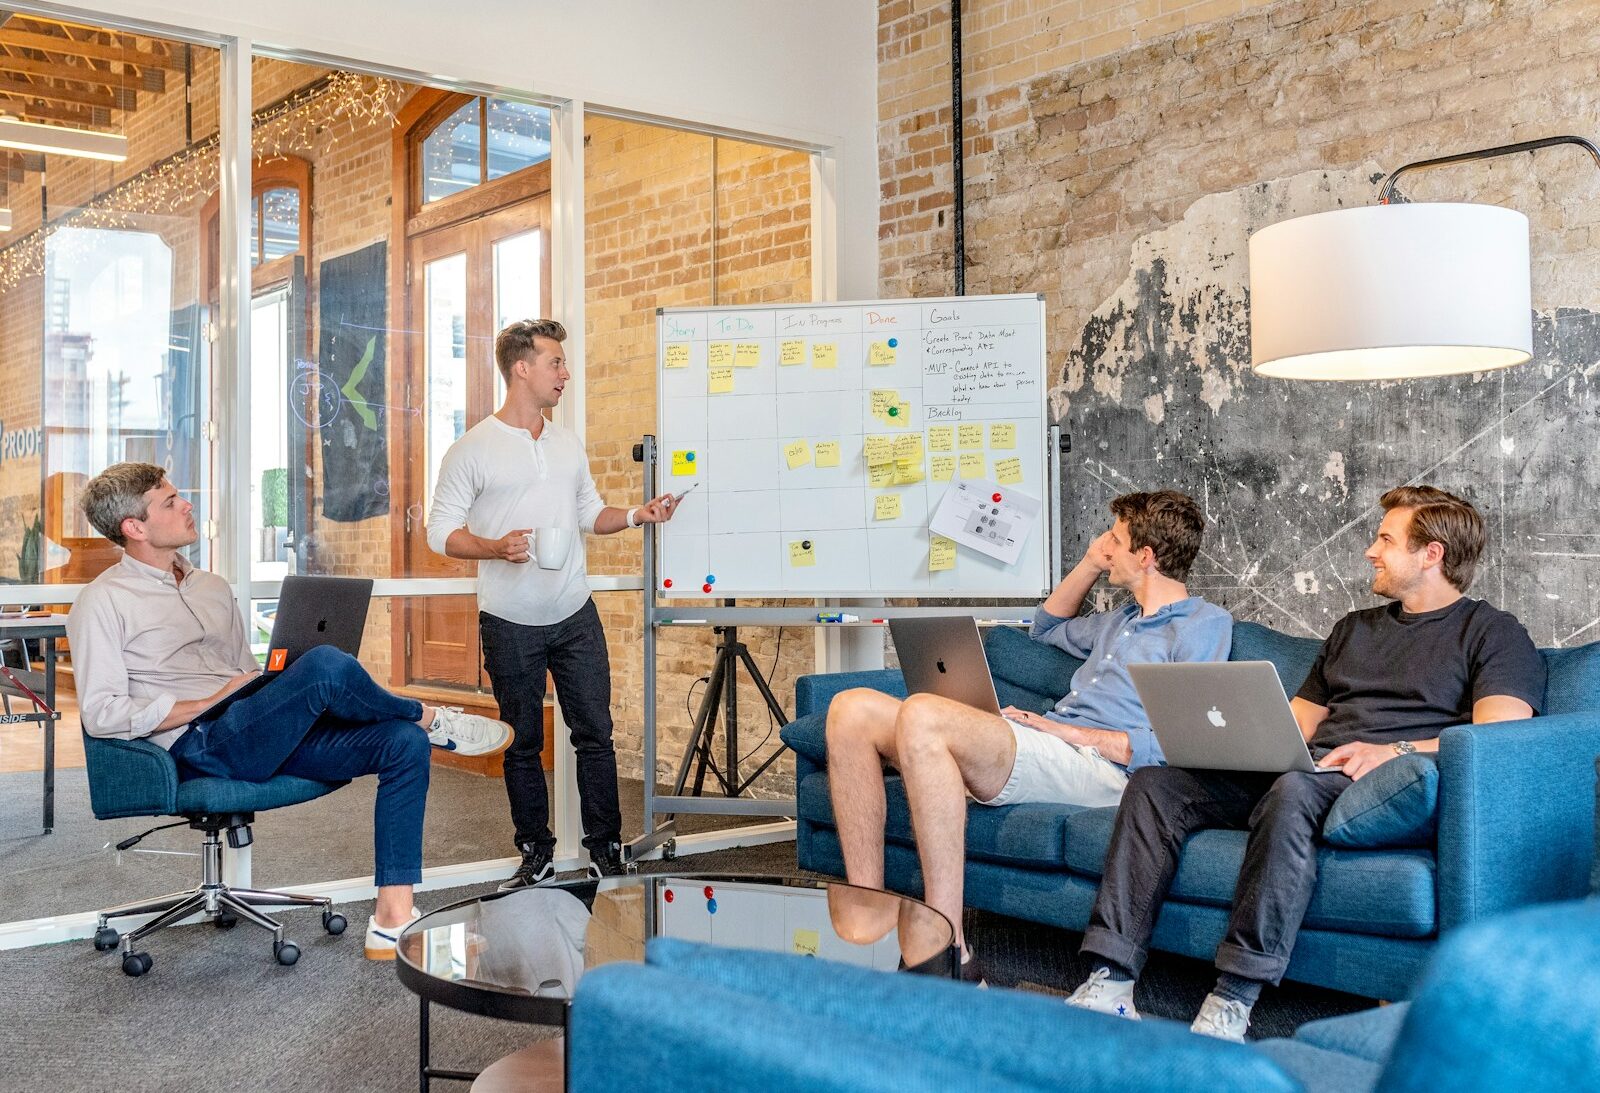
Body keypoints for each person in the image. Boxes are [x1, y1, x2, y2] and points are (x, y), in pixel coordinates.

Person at [1067, 485, 1546, 1041]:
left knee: (1293, 790)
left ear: (1431, 554)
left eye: (1386, 540)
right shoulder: (1354, 629)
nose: (1370, 550)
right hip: (1310, 770)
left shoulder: (1493, 632)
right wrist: (1234, 743)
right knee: (1156, 784)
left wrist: (1392, 751)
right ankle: (1111, 980)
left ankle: (1233, 998)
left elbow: (1497, 736)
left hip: (1386, 782)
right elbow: (1296, 723)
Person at [66, 462, 510, 960]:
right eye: (170, 502)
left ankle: (392, 918)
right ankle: (426, 717)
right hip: (198, 743)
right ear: (134, 527)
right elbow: (102, 713)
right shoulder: (102, 601)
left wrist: (273, 685)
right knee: (325, 667)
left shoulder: (211, 587)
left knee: (400, 743)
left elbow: (243, 672)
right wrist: (208, 701)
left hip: (250, 727)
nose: (187, 504)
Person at [824, 490, 1232, 979]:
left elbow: (1181, 742)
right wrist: (1090, 562)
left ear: (1145, 556)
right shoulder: (1119, 621)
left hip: (1103, 770)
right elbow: (1046, 627)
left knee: (924, 715)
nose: (1104, 544)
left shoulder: (1203, 626)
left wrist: (1068, 732)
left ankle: (950, 949)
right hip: (1050, 746)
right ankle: (868, 904)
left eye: (1114, 539)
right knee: (851, 710)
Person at [427, 318, 678, 889]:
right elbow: (440, 533)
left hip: (574, 613)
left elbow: (590, 514)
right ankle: (535, 853)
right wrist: (495, 546)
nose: (565, 373)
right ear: (522, 367)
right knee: (522, 741)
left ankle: (605, 849)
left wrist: (637, 514)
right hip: (509, 620)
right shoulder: (472, 448)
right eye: (555, 362)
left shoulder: (566, 444)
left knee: (595, 734)